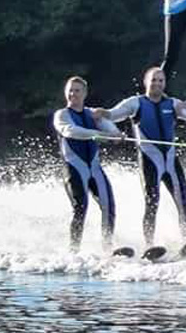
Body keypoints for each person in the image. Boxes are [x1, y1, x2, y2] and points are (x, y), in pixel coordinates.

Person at [98, 67, 186, 245]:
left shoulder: (173, 103)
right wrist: (100, 113)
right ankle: (149, 244)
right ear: (145, 82)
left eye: (161, 80)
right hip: (150, 161)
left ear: (164, 83)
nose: (157, 83)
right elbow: (113, 115)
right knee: (152, 201)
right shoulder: (135, 103)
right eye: (153, 80)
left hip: (171, 161)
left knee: (183, 201)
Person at [53, 76, 122, 250]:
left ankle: (107, 247)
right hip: (74, 168)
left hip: (94, 168)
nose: (73, 94)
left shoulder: (92, 114)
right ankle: (74, 249)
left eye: (77, 90)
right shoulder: (62, 115)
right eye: (70, 90)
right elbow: (71, 131)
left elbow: (108, 126)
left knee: (109, 206)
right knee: (81, 207)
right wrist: (99, 134)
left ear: (84, 94)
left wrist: (115, 134)